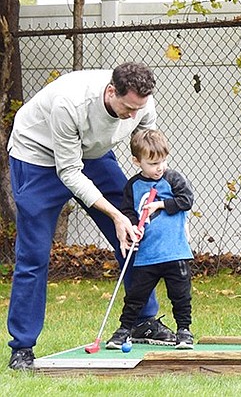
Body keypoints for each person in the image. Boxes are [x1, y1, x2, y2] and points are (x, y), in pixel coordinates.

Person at [6, 63, 177, 371]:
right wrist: (114, 214)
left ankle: (142, 320)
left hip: (94, 155)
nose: (133, 115)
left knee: (133, 233)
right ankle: (23, 347)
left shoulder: (142, 104)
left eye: (138, 109)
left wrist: (149, 199)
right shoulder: (70, 104)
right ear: (112, 92)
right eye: (127, 108)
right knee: (33, 256)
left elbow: (147, 149)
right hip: (37, 158)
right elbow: (69, 171)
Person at [106, 130, 196, 351]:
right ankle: (124, 330)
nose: (159, 167)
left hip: (175, 252)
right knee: (136, 296)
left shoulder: (172, 179)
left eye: (163, 160)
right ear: (137, 161)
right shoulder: (133, 186)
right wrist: (133, 227)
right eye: (153, 163)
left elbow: (187, 200)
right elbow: (128, 212)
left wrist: (161, 205)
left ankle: (183, 331)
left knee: (180, 295)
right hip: (148, 254)